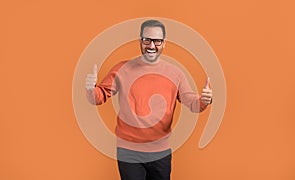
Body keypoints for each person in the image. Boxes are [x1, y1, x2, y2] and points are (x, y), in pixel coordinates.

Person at [85, 20, 213, 180]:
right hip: (129, 151)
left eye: (157, 41)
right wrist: (91, 89)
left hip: (160, 152)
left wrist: (204, 101)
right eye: (147, 40)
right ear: (140, 41)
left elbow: (192, 102)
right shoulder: (122, 69)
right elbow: (99, 96)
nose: (151, 46)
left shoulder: (176, 73)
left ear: (164, 43)